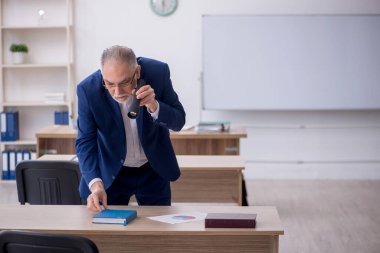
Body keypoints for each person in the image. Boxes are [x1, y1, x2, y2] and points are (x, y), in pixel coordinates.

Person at [75, 45, 185, 212]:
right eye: (109, 84)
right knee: (109, 234)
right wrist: (95, 184)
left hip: (152, 169)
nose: (117, 92)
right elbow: (85, 142)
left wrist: (154, 106)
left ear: (138, 72)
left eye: (125, 82)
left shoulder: (158, 73)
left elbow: (179, 121)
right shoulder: (88, 90)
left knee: (158, 231)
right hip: (112, 172)